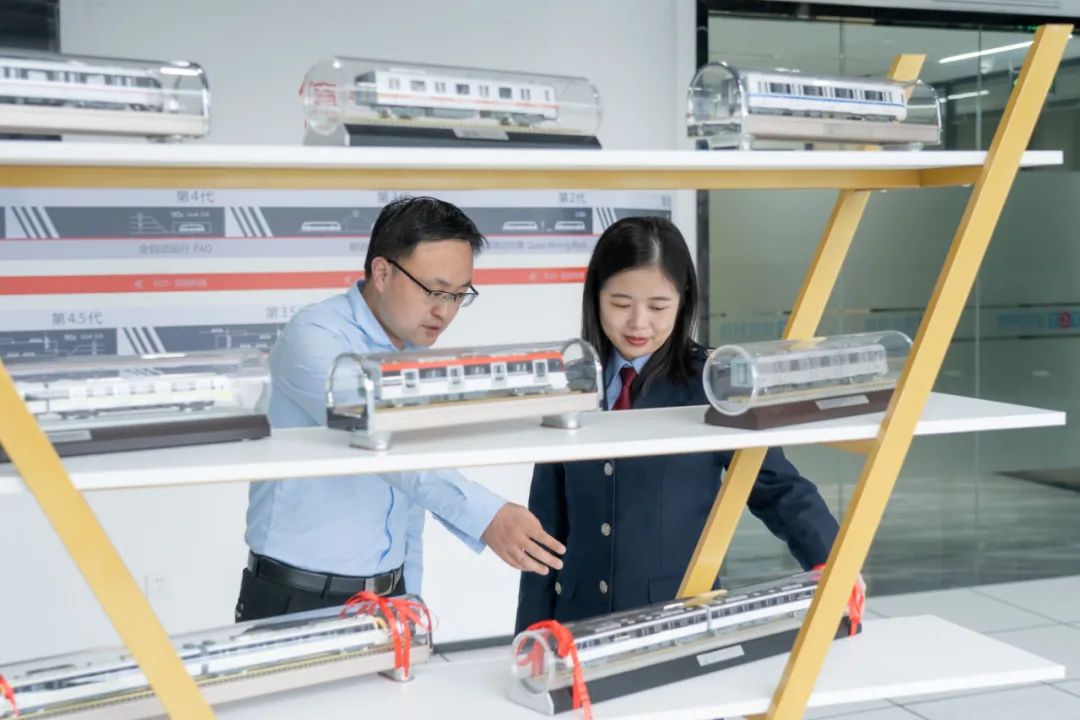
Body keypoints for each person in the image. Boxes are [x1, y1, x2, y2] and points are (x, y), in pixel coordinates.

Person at [237, 196, 564, 622]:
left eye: (458, 295)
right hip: (296, 597)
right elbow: (388, 450)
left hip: (389, 595)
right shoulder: (316, 338)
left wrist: (411, 598)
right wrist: (487, 517)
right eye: (434, 291)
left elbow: (408, 498)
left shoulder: (412, 352)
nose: (444, 311)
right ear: (382, 272)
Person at [515, 216, 841, 631]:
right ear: (595, 297)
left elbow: (778, 487)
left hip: (677, 616)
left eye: (657, 307)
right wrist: (531, 633)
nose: (638, 323)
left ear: (683, 300)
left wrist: (835, 565)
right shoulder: (569, 384)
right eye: (620, 304)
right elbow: (545, 524)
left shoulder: (713, 384)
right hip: (575, 621)